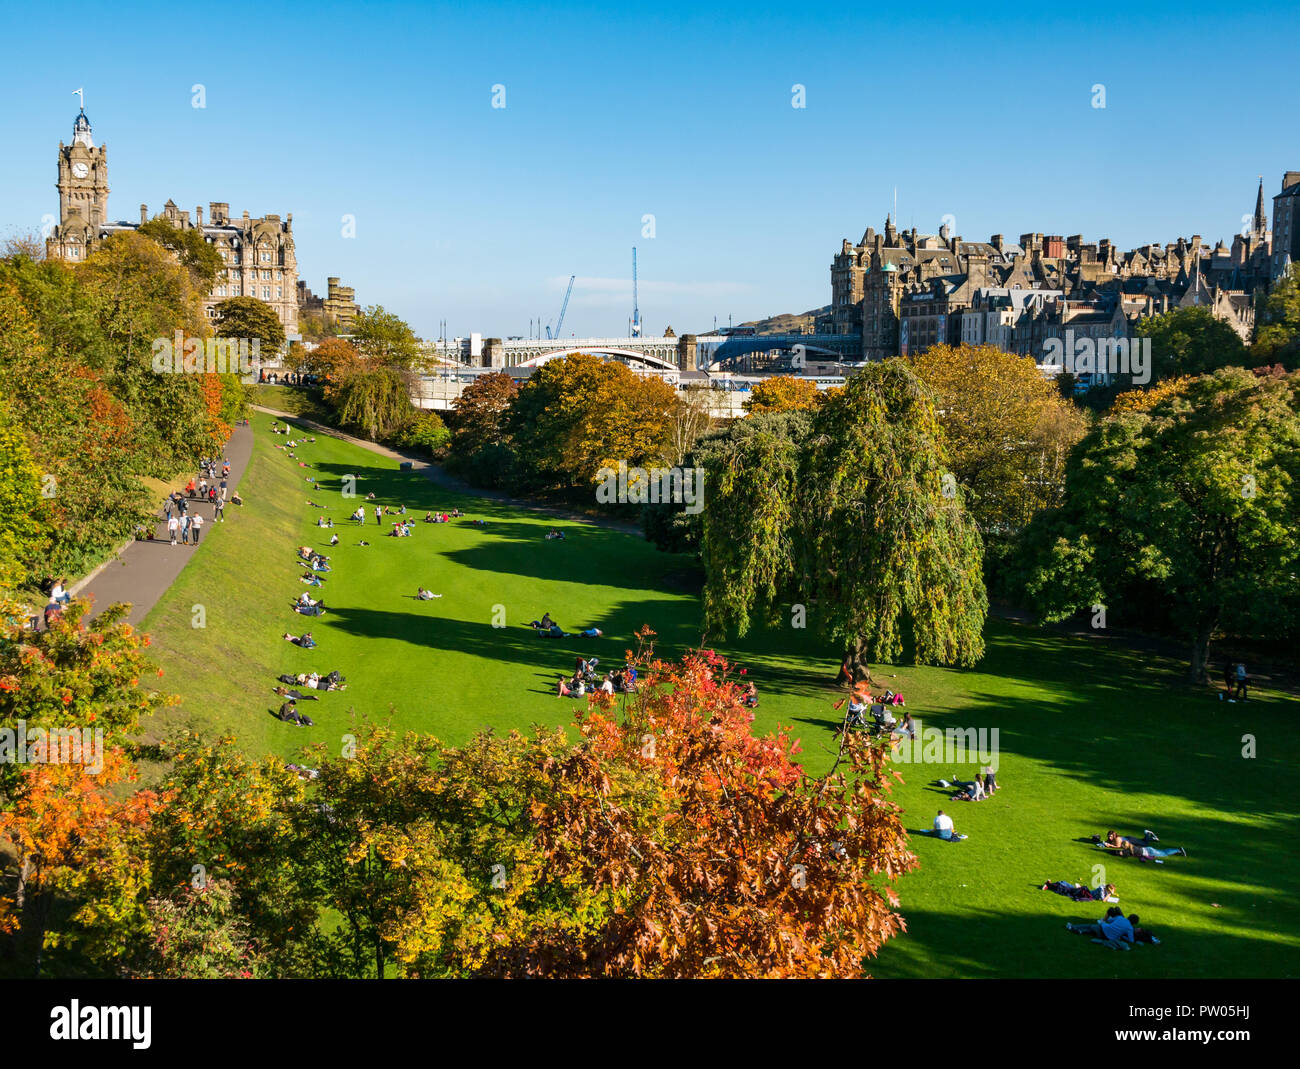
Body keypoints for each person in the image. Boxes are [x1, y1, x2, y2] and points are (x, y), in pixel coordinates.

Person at [1066, 907, 1134, 946]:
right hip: (1106, 938)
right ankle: (1080, 931)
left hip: (1103, 929)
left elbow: (1109, 921)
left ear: (1128, 917)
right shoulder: (1130, 928)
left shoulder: (1120, 918)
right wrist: (1123, 936)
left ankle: (1072, 926)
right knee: (1091, 931)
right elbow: (1131, 940)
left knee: (1090, 926)